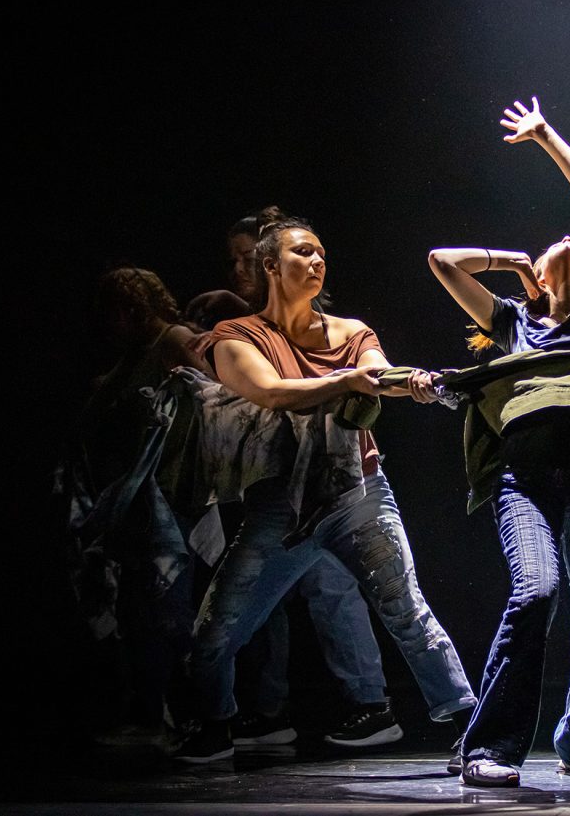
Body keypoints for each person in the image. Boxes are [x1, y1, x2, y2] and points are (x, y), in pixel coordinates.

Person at [173, 210, 476, 762]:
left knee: (406, 609)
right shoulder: (236, 336)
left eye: (320, 255)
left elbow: (377, 371)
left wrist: (415, 382)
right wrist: (343, 380)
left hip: (357, 496)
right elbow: (270, 391)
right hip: (278, 511)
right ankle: (213, 723)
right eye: (302, 252)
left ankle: (470, 725)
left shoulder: (351, 331)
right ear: (270, 265)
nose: (316, 262)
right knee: (214, 633)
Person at [428, 97, 570, 787]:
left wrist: (546, 134)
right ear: (544, 277)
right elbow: (441, 261)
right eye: (558, 250)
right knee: (538, 590)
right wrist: (512, 261)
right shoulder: (516, 320)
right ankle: (489, 746)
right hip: (528, 481)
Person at [186, 209, 401, 752]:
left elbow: (348, 379)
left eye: (244, 257)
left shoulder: (323, 327)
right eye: (233, 259)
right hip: (278, 487)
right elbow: (256, 391)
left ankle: (369, 704)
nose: (237, 268)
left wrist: (372, 379)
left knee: (336, 590)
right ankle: (265, 709)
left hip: (332, 484)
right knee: (265, 603)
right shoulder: (237, 326)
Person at [68, 266, 213, 742]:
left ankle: (196, 714)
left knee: (170, 607)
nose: (106, 326)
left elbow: (215, 395)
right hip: (145, 502)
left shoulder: (173, 341)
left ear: (132, 309)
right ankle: (154, 712)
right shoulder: (133, 357)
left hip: (175, 494)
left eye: (111, 314)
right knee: (140, 610)